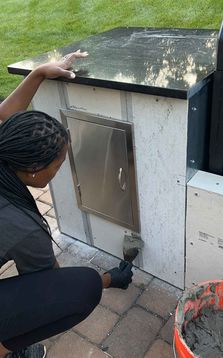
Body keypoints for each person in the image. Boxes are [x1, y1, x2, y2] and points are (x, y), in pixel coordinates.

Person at [0, 51, 133, 358]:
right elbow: (53, 286)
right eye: (58, 166)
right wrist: (110, 279)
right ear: (34, 168)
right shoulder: (21, 225)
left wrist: (40, 72)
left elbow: (6, 112)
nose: (62, 168)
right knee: (84, 287)